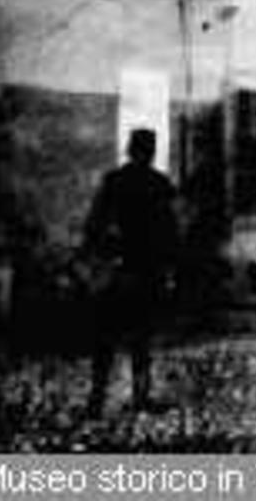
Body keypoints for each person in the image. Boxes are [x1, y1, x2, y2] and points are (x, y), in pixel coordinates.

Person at [82, 128, 180, 416]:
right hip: (146, 270)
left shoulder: (114, 181)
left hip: (119, 269)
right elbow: (170, 232)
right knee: (141, 338)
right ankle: (140, 396)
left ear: (129, 149)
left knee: (105, 338)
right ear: (151, 152)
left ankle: (97, 399)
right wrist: (169, 268)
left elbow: (94, 226)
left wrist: (101, 256)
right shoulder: (159, 184)